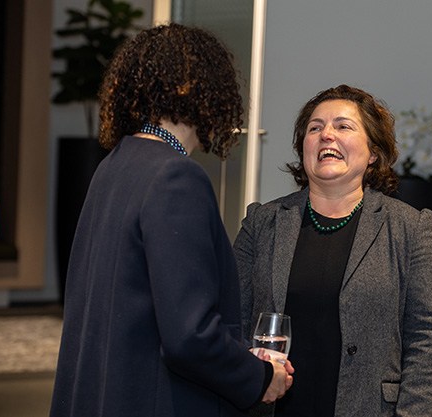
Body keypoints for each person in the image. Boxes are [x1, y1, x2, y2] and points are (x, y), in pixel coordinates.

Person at [50, 23, 293, 417]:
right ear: (198, 89)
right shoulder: (176, 177)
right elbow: (189, 336)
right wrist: (261, 377)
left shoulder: (114, 165)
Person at [234, 84, 432, 417]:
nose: (326, 135)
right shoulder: (263, 222)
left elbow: (428, 338)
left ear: (373, 152)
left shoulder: (409, 228)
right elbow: (232, 317)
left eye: (343, 126)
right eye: (315, 128)